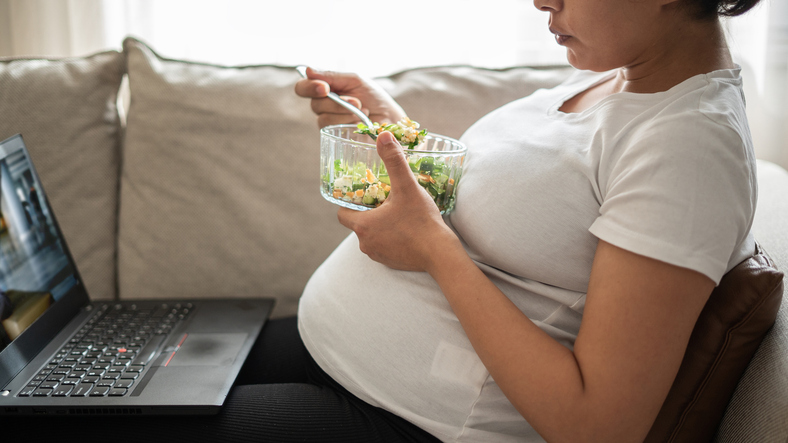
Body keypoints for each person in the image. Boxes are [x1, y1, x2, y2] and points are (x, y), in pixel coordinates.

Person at [8, 0, 759, 439]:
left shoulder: (689, 147)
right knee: (67, 381)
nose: (540, 1)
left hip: (403, 418)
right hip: (338, 361)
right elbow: (522, 215)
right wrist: (390, 129)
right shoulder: (619, 79)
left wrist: (432, 250)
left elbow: (599, 423)